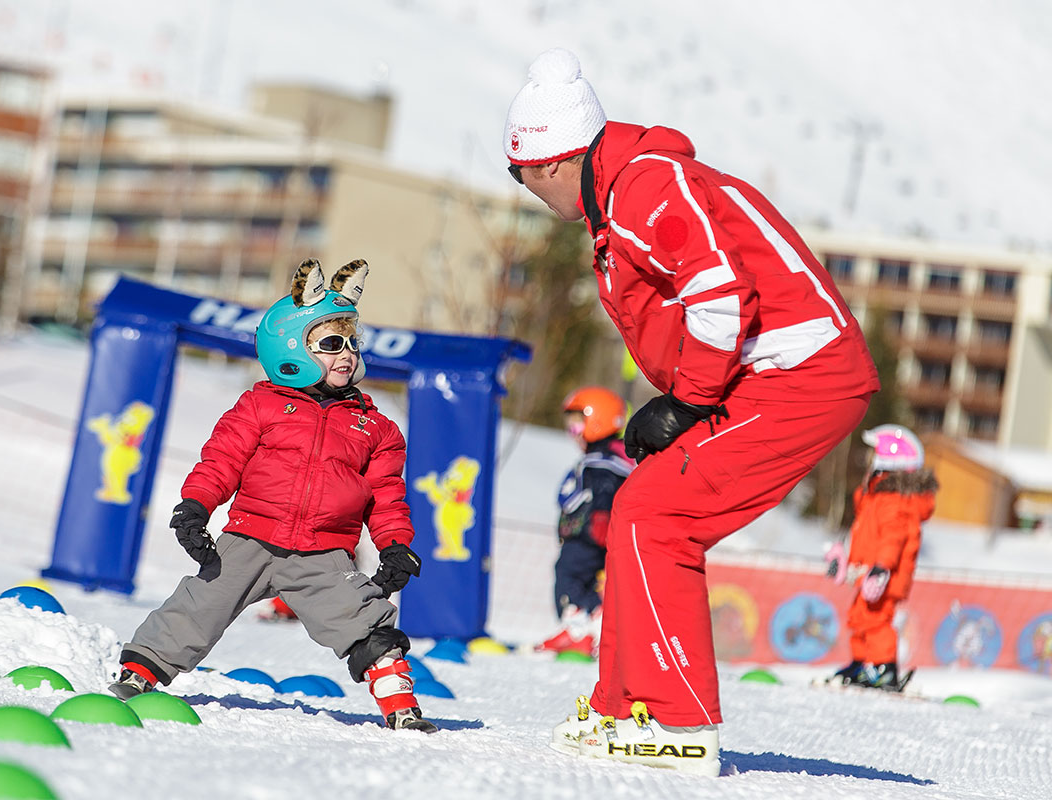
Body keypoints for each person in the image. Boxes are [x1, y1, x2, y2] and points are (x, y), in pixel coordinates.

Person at [505, 48, 880, 775]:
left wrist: (687, 403)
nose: (530, 195)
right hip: (764, 376)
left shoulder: (645, 187)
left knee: (656, 513)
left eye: (521, 180)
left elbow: (717, 294)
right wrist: (679, 398)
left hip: (804, 375)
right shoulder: (626, 194)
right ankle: (625, 706)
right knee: (641, 507)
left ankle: (678, 720)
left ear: (549, 161)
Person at [107, 258, 436, 733]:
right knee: (201, 604)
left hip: (325, 553)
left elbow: (385, 495)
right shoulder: (260, 405)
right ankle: (139, 673)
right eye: (330, 343)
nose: (346, 354)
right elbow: (222, 460)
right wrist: (196, 507)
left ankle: (400, 705)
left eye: (351, 342)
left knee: (363, 617)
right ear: (290, 346)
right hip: (250, 539)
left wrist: (395, 545)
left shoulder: (374, 427)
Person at [827, 425, 938, 691]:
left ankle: (883, 667)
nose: (868, 460)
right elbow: (862, 530)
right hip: (870, 572)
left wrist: (881, 567)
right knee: (859, 616)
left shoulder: (894, 499)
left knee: (876, 620)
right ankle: (863, 662)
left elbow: (894, 537)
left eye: (873, 454)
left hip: (886, 575)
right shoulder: (877, 495)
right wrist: (846, 558)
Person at [540, 386, 632, 658]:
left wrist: (602, 521)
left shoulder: (604, 462)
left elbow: (605, 492)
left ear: (597, 420)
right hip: (583, 536)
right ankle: (583, 625)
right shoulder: (597, 459)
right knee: (576, 578)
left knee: (569, 574)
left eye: (576, 423)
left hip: (589, 537)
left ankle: (581, 625)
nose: (573, 431)